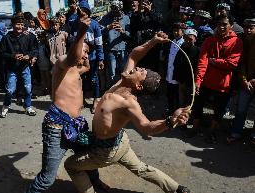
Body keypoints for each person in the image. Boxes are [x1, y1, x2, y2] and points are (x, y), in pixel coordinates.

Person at [64, 31, 191, 193]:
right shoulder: (123, 80)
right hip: (121, 141)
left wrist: (170, 120)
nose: (137, 67)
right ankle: (177, 189)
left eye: (140, 71)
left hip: (106, 151)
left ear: (138, 86)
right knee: (142, 168)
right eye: (141, 68)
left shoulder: (129, 103)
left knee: (71, 166)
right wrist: (153, 41)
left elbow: (147, 127)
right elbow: (133, 55)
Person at [25, 12, 104, 193]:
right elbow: (71, 57)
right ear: (74, 48)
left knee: (88, 160)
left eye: (87, 52)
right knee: (47, 178)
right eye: (84, 50)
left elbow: (87, 66)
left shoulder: (76, 71)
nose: (86, 54)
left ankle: (97, 185)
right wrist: (82, 32)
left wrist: (86, 57)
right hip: (57, 126)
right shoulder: (62, 63)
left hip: (77, 124)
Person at [191, 14, 243, 143]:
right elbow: (202, 62)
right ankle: (195, 127)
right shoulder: (209, 40)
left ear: (231, 26)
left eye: (225, 24)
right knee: (197, 104)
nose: (221, 27)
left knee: (219, 109)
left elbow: (232, 64)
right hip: (206, 81)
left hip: (223, 84)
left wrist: (213, 61)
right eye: (219, 24)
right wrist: (198, 81)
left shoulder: (237, 42)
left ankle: (212, 132)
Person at [0, 13, 37, 118]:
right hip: (12, 68)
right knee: (10, 90)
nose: (19, 26)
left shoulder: (28, 36)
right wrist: (13, 56)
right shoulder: (6, 38)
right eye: (17, 24)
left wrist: (28, 56)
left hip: (25, 67)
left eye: (21, 24)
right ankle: (5, 106)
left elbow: (34, 49)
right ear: (13, 24)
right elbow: (2, 53)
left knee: (28, 88)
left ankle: (28, 106)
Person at [227, 18, 255, 144]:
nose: (248, 30)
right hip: (245, 81)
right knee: (241, 109)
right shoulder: (241, 40)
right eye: (246, 27)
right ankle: (236, 132)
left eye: (252, 27)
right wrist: (244, 80)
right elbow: (241, 63)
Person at [99, 0, 130, 88]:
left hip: (123, 49)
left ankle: (122, 89)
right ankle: (113, 91)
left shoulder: (126, 18)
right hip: (111, 50)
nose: (115, 11)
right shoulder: (105, 18)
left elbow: (130, 35)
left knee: (123, 71)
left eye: (116, 9)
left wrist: (123, 31)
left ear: (120, 9)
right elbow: (99, 32)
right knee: (112, 73)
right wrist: (108, 27)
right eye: (113, 9)